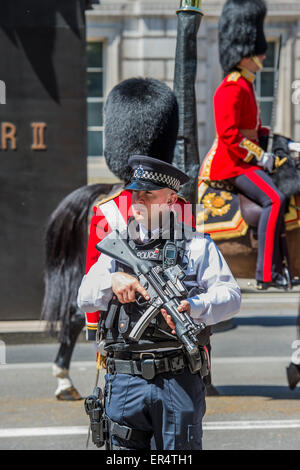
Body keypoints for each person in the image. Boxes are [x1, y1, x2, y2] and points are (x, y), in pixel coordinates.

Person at [77, 155, 241, 450]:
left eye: (148, 195)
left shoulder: (196, 245)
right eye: (135, 194)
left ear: (170, 199)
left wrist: (195, 305)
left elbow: (231, 297)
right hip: (126, 380)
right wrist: (111, 282)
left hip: (177, 376)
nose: (138, 201)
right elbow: (83, 297)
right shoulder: (117, 246)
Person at [199, 0, 288, 290]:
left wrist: (282, 142)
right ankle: (266, 273)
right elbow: (230, 136)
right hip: (232, 164)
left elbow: (254, 127)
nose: (261, 54)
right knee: (273, 199)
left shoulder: (246, 84)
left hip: (245, 159)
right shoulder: (231, 87)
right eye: (256, 50)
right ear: (243, 51)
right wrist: (261, 156)